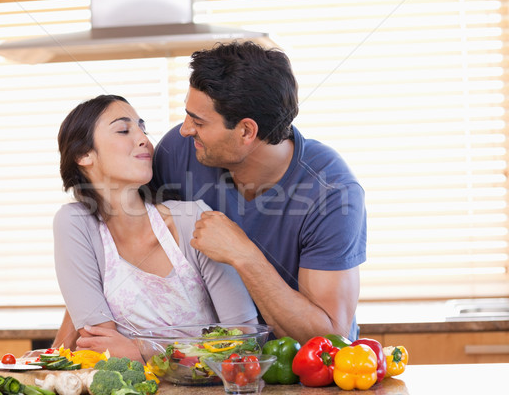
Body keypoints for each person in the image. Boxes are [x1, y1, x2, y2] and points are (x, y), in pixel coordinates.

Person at [150, 41, 367, 344]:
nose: (186, 129)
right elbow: (115, 245)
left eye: (198, 121)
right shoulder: (178, 151)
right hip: (212, 362)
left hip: (301, 374)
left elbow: (329, 338)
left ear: (246, 131)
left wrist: (244, 255)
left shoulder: (331, 191)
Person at [52, 94, 257, 360]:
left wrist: (140, 351)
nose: (143, 139)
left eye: (143, 129)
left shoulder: (193, 220)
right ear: (83, 154)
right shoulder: (75, 224)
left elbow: (244, 338)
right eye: (124, 130)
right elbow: (100, 345)